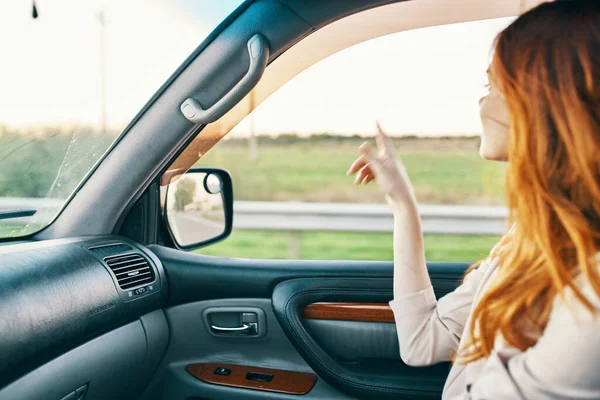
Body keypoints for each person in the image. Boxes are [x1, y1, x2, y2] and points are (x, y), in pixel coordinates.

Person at [347, 1, 600, 398]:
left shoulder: (591, 290)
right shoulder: (526, 241)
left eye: (494, 85)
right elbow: (423, 341)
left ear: (553, 99)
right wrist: (403, 204)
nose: (482, 103)